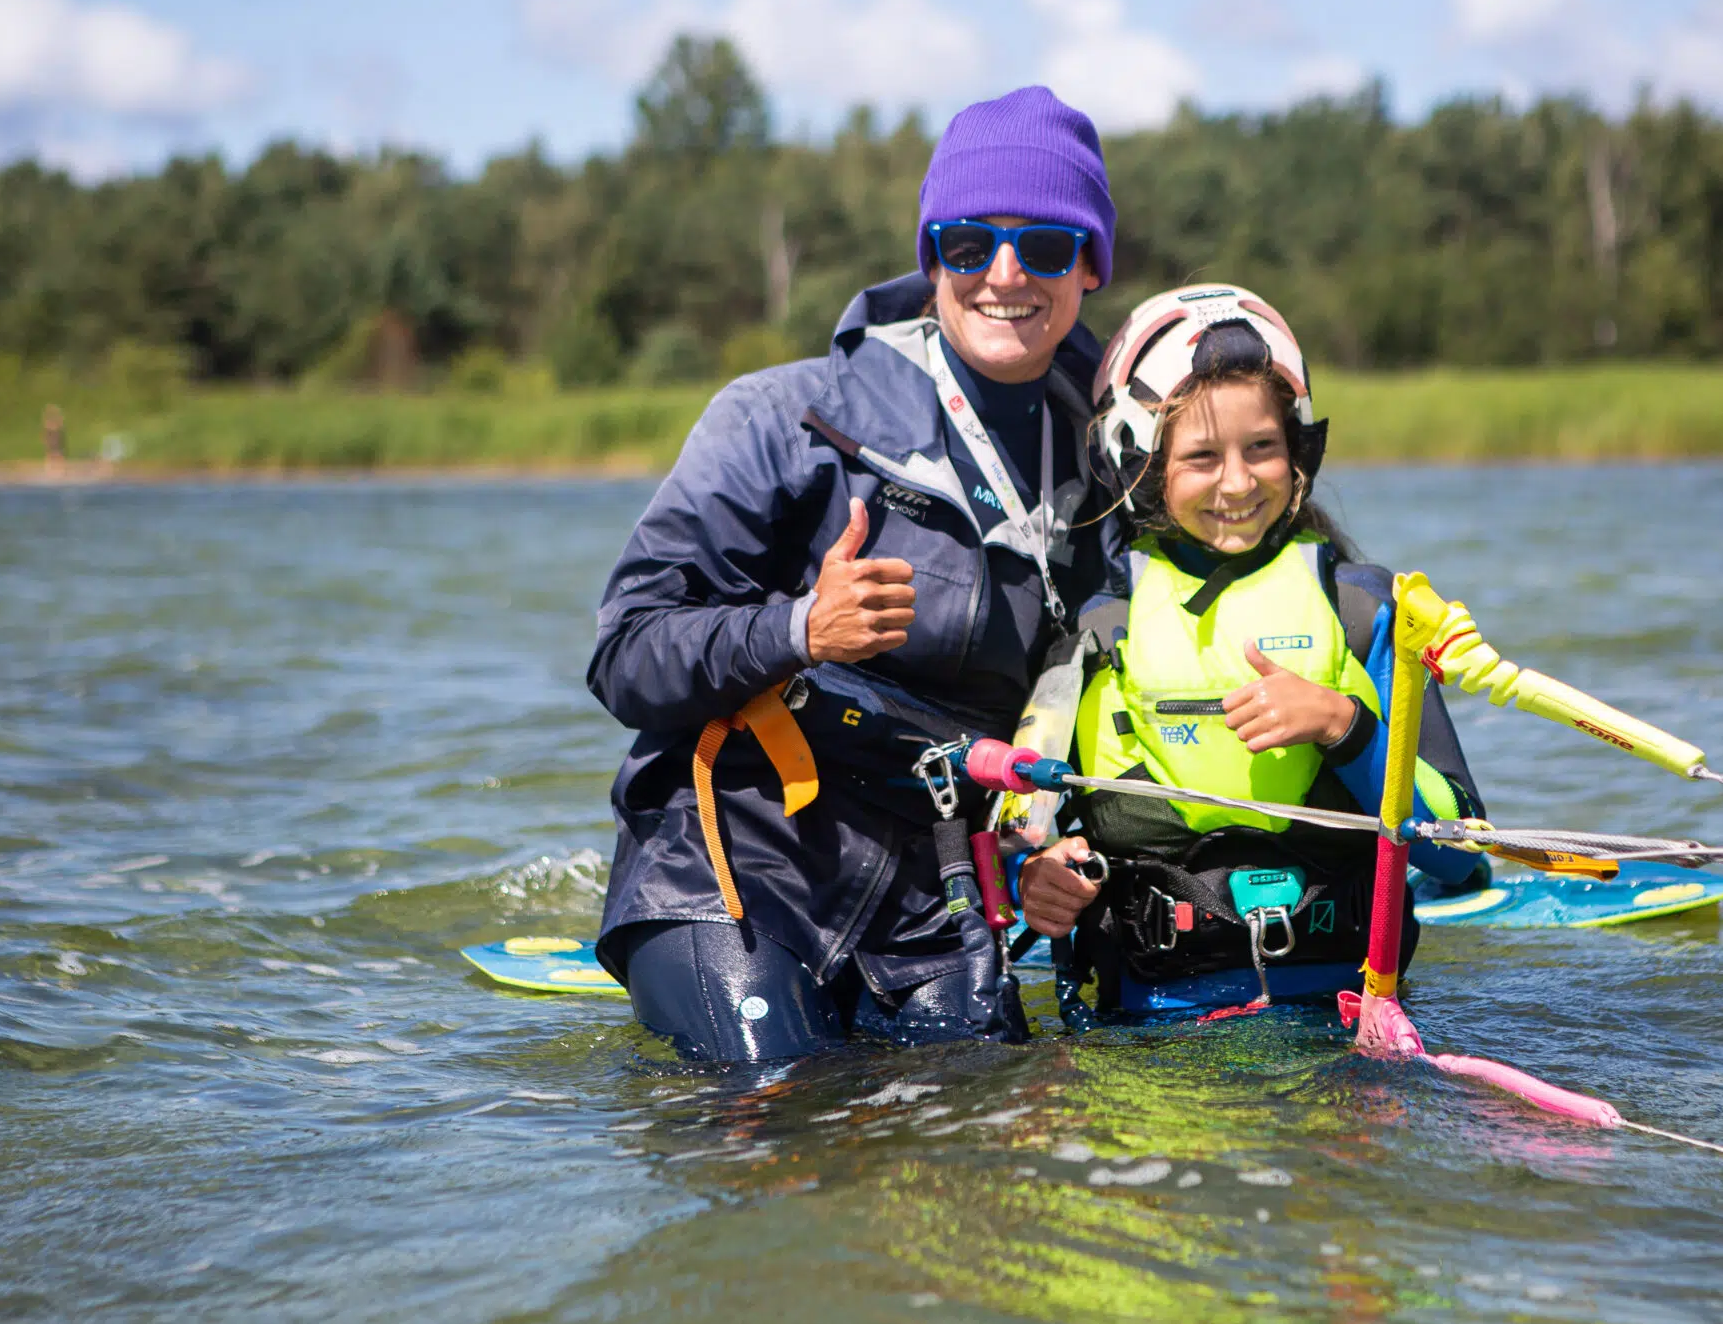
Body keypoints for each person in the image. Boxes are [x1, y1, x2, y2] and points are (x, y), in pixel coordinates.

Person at [586, 86, 1125, 1063]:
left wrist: (1065, 848)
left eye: (1044, 246)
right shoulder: (776, 418)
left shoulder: (1113, 470)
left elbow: (1100, 703)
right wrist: (797, 629)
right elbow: (624, 656)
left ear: (1088, 265)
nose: (1005, 275)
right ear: (931, 261)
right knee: (782, 1121)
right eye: (968, 245)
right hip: (735, 866)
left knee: (1002, 1150)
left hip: (939, 904)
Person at [1009, 286, 1493, 1018]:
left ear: (1295, 449)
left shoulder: (1364, 612)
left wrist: (1344, 726)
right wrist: (1037, 876)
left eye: (1261, 448)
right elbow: (1022, 836)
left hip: (1340, 1038)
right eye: (1202, 457)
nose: (1237, 481)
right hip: (1153, 1045)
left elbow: (1461, 853)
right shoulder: (1098, 631)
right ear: (1141, 464)